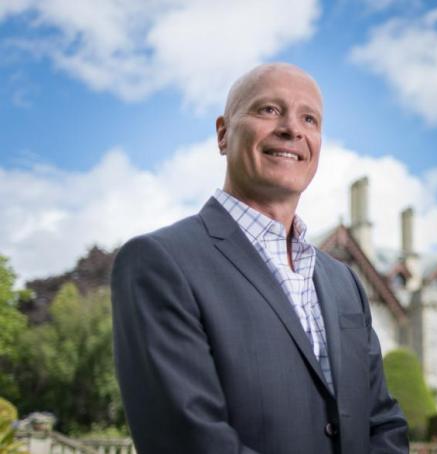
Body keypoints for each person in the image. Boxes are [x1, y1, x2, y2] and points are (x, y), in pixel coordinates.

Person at [111, 63, 409, 453]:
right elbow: (191, 439)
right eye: (269, 110)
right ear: (223, 133)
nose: (292, 129)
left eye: (309, 118)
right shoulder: (159, 262)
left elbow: (382, 422)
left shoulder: (345, 283)